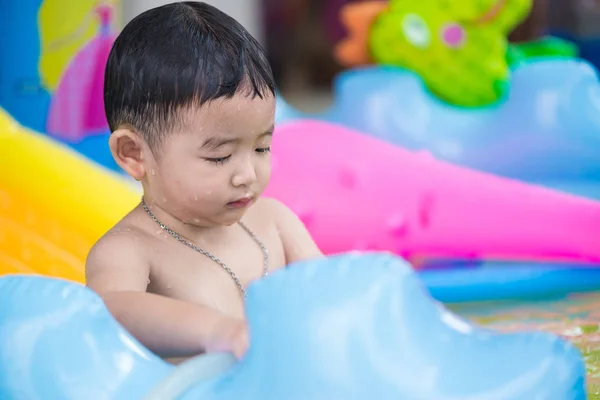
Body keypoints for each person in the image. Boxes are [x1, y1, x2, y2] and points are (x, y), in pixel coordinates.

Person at [85, 1, 322, 364]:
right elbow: (111, 310)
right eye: (219, 157)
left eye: (262, 147)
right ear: (134, 153)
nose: (247, 174)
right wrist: (217, 331)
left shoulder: (275, 222)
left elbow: (330, 291)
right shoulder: (130, 250)